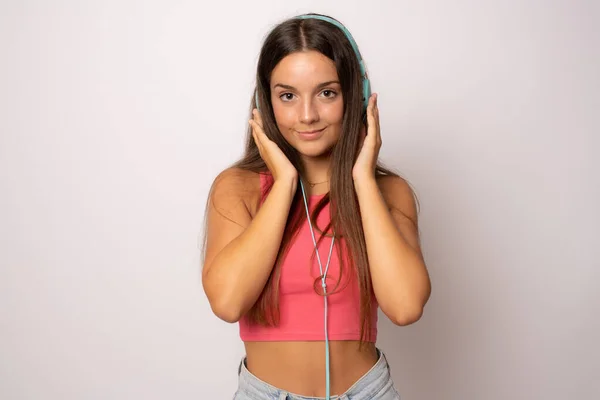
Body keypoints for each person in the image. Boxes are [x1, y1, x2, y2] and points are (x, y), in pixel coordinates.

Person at [201, 12, 431, 400]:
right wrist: (285, 183)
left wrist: (361, 179)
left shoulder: (387, 193)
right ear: (264, 101)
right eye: (287, 96)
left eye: (327, 93)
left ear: (355, 96)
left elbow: (406, 307)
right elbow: (227, 302)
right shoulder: (238, 188)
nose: (306, 115)